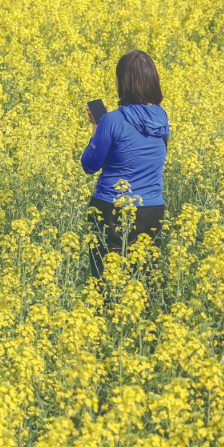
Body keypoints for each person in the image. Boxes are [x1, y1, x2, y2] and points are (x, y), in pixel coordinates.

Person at [81, 49, 170, 283]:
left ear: (124, 81)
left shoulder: (111, 120)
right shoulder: (162, 117)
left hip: (112, 209)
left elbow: (90, 165)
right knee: (143, 284)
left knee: (107, 285)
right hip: (153, 211)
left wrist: (98, 126)